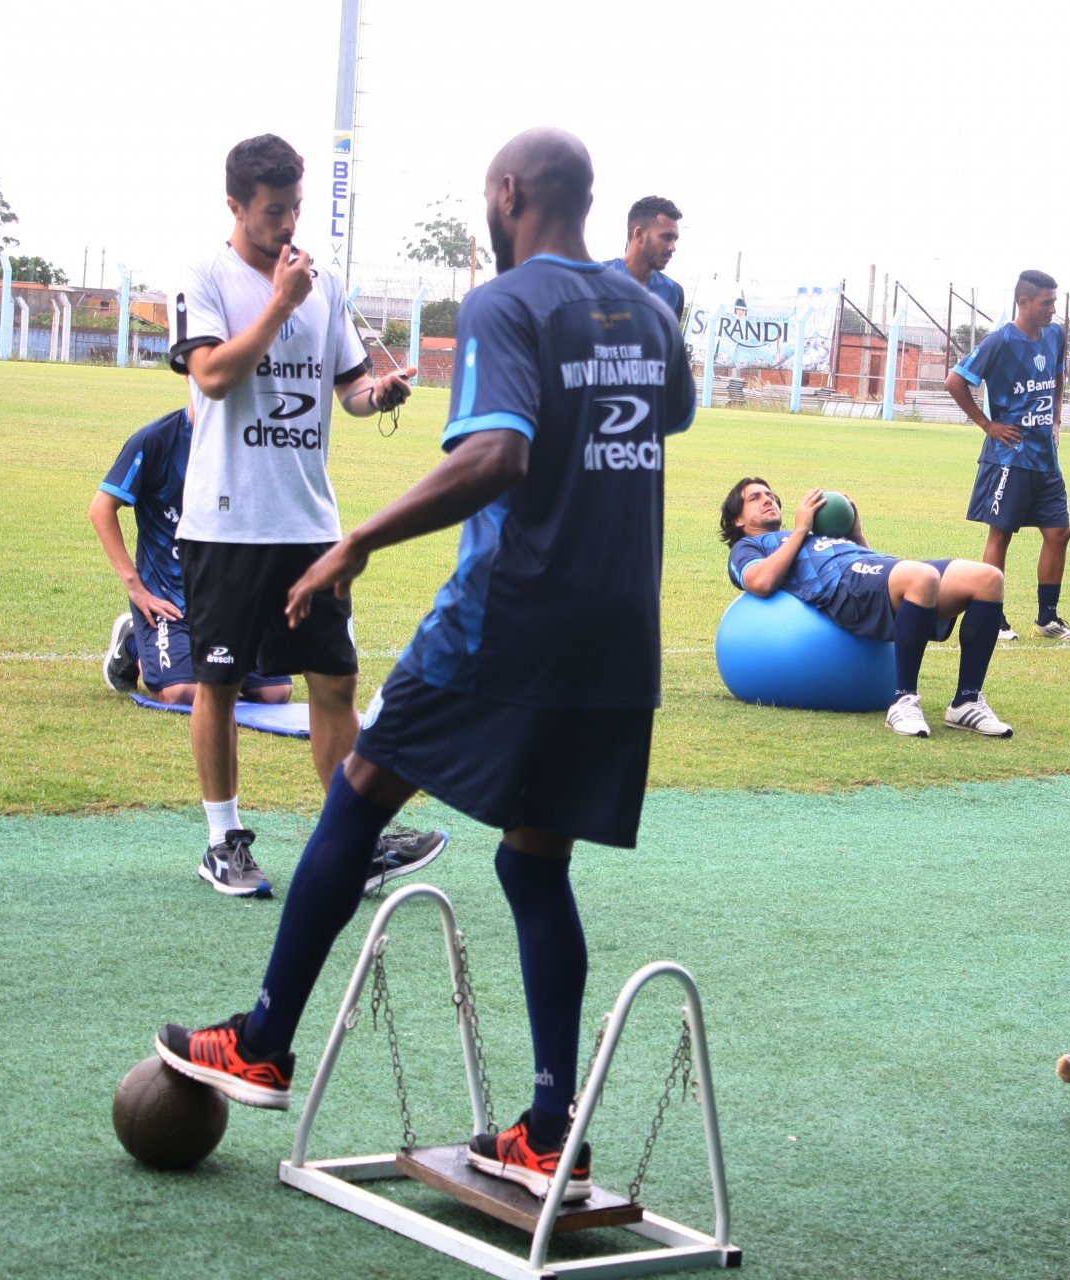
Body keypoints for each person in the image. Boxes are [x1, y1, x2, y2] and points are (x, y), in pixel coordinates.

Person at [156, 128, 695, 1204]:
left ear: (505, 194)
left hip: (508, 617)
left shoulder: (504, 303)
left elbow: (497, 455)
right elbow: (668, 411)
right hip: (620, 634)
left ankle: (260, 1040)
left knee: (357, 795)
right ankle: (547, 1131)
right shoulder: (650, 304)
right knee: (534, 863)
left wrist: (356, 541)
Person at [168, 133, 438, 899]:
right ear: (235, 207)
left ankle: (353, 838)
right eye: (271, 213)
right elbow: (214, 376)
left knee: (334, 680)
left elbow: (349, 387)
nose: (287, 227)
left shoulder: (324, 283)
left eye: (294, 209)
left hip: (310, 524)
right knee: (219, 682)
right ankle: (224, 841)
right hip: (226, 523)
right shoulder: (205, 275)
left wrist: (376, 396)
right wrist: (279, 303)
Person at [720, 477, 1012, 739]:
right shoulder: (749, 547)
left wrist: (856, 535)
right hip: (842, 587)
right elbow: (761, 581)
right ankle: (903, 701)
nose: (767, 500)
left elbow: (874, 563)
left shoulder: (814, 535)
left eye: (770, 495)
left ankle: (967, 702)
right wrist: (800, 530)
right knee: (922, 578)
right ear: (737, 520)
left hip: (875, 567)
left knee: (988, 578)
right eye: (754, 498)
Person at [90, 405, 292, 707]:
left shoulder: (252, 440)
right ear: (188, 374)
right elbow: (100, 509)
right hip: (169, 602)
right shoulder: (155, 440)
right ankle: (133, 642)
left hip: (228, 604)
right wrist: (134, 586)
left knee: (274, 693)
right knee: (182, 693)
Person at [944, 269, 1070, 644]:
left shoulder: (1055, 335)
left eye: (1054, 302)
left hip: (1045, 458)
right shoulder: (1000, 341)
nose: (1053, 310)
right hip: (1010, 457)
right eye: (1047, 303)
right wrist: (987, 424)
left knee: (1060, 532)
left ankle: (1048, 618)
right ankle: (994, 617)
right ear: (1023, 301)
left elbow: (1055, 378)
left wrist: (1055, 419)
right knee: (1001, 533)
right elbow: (955, 381)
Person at [605, 195, 684, 321]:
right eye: (666, 237)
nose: (672, 248)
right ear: (640, 234)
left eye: (675, 239)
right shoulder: (590, 279)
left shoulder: (673, 292)